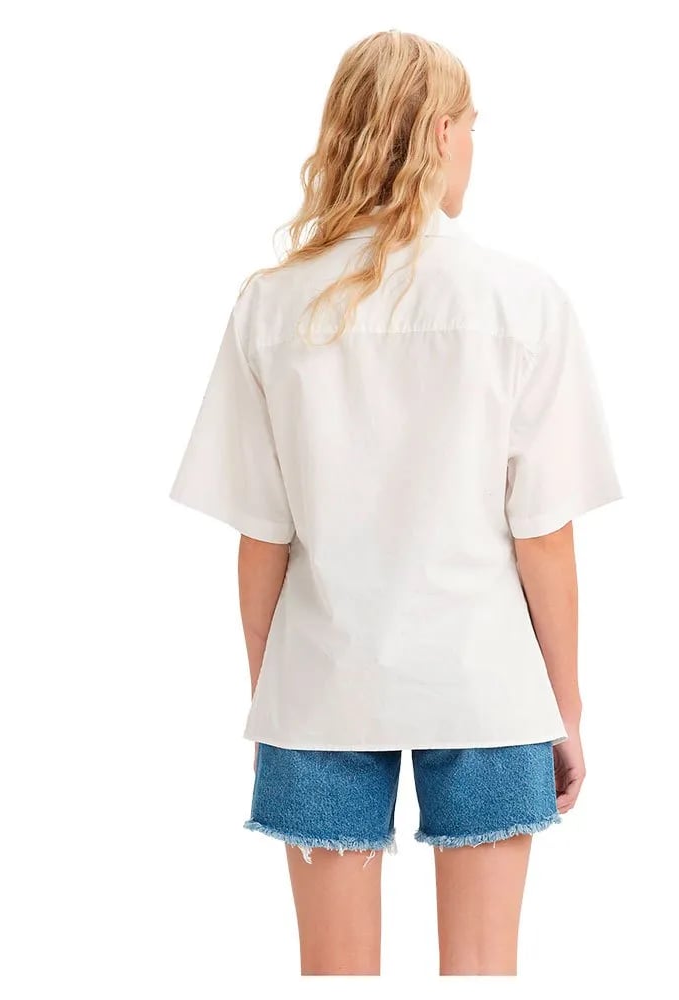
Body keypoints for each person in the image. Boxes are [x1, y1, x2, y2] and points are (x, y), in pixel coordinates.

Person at [169, 29, 623, 976]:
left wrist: (271, 701)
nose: (473, 149)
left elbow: (263, 542)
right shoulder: (523, 300)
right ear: (443, 133)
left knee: (333, 977)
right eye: (472, 128)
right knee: (484, 974)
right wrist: (568, 708)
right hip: (489, 688)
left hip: (320, 690)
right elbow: (543, 537)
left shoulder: (271, 307)